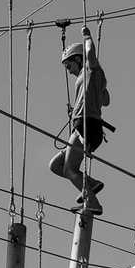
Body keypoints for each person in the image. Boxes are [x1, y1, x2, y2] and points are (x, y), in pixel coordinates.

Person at [49, 25, 108, 215]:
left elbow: (90, 53)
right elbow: (105, 101)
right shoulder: (88, 77)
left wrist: (88, 36)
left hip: (87, 125)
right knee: (56, 166)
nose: (68, 71)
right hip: (82, 125)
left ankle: (93, 202)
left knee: (69, 169)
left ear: (78, 59)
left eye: (69, 66)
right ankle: (91, 184)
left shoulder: (91, 70)